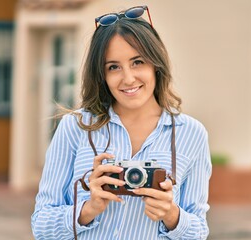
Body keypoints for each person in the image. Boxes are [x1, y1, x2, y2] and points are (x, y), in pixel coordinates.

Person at [31, 5, 212, 240]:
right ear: (101, 75)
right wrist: (87, 210)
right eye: (113, 67)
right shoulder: (74, 127)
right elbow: (41, 227)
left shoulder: (192, 134)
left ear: (156, 64)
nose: (128, 78)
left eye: (138, 62)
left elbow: (199, 231)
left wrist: (172, 215)